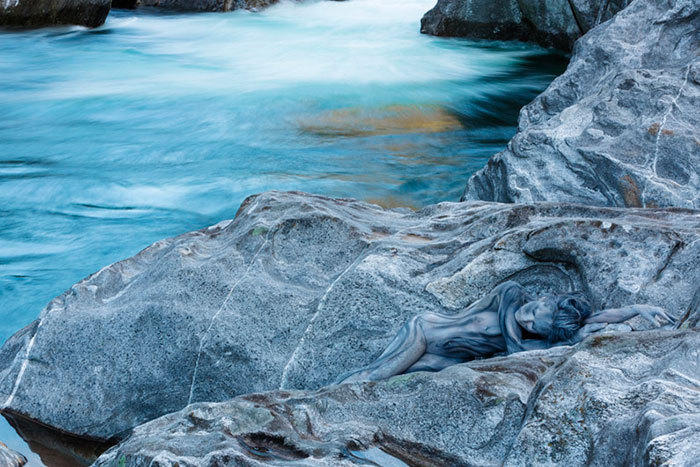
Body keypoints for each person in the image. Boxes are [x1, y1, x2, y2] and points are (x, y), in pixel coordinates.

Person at [336, 281, 675, 384]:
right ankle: (323, 394)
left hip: (441, 356)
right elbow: (516, 348)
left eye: (533, 326)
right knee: (376, 373)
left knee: (389, 380)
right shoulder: (511, 295)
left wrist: (633, 310)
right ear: (545, 297)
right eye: (533, 312)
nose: (526, 320)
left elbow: (582, 319)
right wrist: (571, 338)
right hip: (425, 331)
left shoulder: (535, 333)